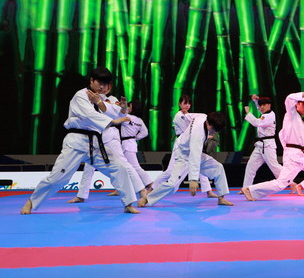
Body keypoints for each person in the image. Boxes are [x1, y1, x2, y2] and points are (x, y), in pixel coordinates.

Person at [21, 67, 140, 214]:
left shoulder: (102, 99)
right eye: (99, 83)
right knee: (58, 178)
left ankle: (128, 204)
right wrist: (113, 122)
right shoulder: (81, 96)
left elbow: (116, 113)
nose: (102, 87)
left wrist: (121, 109)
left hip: (95, 144)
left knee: (119, 167)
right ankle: (31, 202)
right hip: (77, 142)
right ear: (91, 81)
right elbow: (89, 115)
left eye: (105, 84)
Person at [241, 91, 304, 201]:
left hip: (302, 154)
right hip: (293, 156)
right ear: (297, 104)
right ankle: (250, 190)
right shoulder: (291, 114)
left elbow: (281, 134)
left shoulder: (300, 119)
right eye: (303, 104)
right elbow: (289, 98)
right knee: (281, 184)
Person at [138, 111, 234, 207]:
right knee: (172, 185)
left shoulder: (202, 116)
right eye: (213, 129)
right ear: (208, 122)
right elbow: (194, 156)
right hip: (183, 156)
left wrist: (188, 131)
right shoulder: (198, 134)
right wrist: (193, 180)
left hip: (192, 152)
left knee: (218, 167)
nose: (213, 132)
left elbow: (187, 117)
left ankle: (221, 198)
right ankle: (147, 198)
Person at [67, 91, 146, 203]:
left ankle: (141, 190)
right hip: (96, 135)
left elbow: (121, 114)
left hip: (110, 133)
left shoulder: (112, 99)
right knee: (89, 165)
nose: (101, 88)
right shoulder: (87, 99)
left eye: (104, 85)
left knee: (123, 163)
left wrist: (123, 107)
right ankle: (81, 195)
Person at [151, 94, 217, 197]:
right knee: (170, 171)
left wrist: (204, 135)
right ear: (179, 104)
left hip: (191, 144)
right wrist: (202, 135)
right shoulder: (179, 116)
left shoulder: (190, 115)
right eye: (185, 103)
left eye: (189, 103)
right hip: (181, 145)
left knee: (198, 165)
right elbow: (188, 132)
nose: (187, 105)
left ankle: (209, 191)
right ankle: (152, 187)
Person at [241, 95, 283, 188]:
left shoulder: (270, 116)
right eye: (260, 105)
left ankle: (290, 182)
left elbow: (257, 123)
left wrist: (248, 113)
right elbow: (260, 109)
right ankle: (246, 188)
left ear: (269, 105)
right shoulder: (265, 114)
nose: (261, 107)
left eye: (264, 105)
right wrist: (256, 100)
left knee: (274, 167)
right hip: (260, 145)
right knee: (250, 166)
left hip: (268, 145)